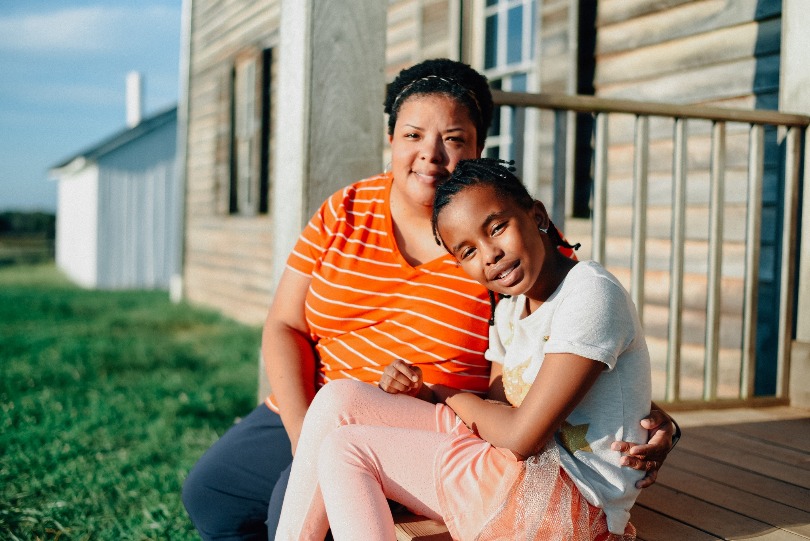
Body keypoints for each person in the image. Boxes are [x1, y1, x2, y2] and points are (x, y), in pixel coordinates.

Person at [182, 59, 676, 541]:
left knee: (300, 498)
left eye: (454, 139)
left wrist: (654, 417)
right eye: (413, 135)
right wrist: (301, 435)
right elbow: (284, 326)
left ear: (480, 149)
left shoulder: (514, 243)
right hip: (331, 401)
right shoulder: (345, 209)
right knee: (212, 495)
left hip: (465, 429)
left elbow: (578, 331)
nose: (431, 155)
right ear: (391, 139)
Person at [275, 158, 652, 540]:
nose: (490, 254)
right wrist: (420, 395)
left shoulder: (590, 294)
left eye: (497, 228)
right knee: (339, 398)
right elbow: (495, 414)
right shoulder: (510, 309)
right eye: (468, 252)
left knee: (349, 450)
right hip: (517, 468)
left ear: (537, 215)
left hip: (568, 500)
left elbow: (520, 437)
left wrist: (441, 393)